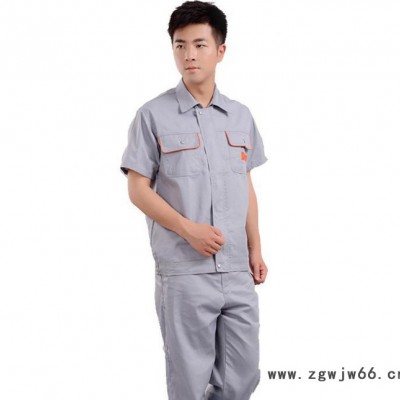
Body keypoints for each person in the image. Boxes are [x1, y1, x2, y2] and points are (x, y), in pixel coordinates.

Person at [120, 1, 269, 399]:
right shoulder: (152, 115)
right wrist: (188, 230)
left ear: (220, 50)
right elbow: (137, 189)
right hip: (185, 272)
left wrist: (255, 248)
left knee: (242, 378)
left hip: (236, 269)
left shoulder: (240, 116)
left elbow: (246, 185)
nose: (189, 54)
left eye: (200, 45)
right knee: (188, 383)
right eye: (180, 45)